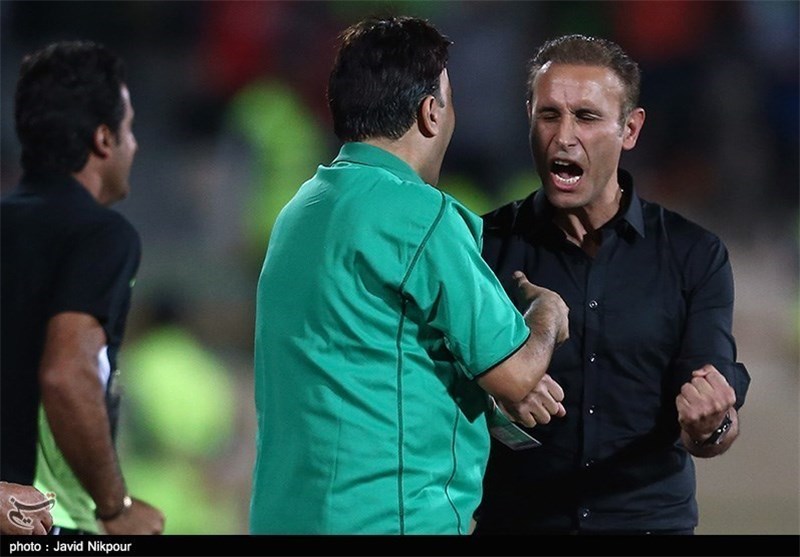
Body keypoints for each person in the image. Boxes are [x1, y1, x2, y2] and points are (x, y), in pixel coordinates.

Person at [249, 16, 570, 535]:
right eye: (450, 101)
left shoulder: (299, 211)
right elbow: (516, 374)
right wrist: (546, 315)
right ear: (430, 112)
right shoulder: (420, 214)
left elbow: (366, 354)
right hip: (391, 521)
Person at [473, 34, 751, 535]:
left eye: (586, 116)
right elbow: (432, 390)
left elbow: (711, 419)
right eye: (549, 114)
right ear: (529, 118)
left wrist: (712, 425)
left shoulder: (694, 255)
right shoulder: (482, 248)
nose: (564, 136)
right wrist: (494, 396)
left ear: (630, 129)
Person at [1, 40, 164, 535]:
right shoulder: (101, 235)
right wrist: (115, 508)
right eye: (129, 128)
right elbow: (67, 375)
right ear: (104, 139)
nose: (135, 145)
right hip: (47, 520)